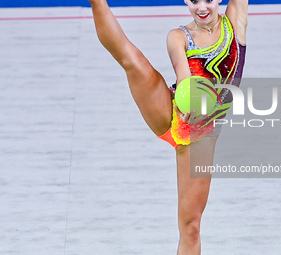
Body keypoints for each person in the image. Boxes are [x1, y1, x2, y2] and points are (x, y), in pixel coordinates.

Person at [88, 0, 248, 254]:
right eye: (194, 1)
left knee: (191, 227)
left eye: (207, 0)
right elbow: (182, 73)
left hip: (200, 137)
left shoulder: (235, 25)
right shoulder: (178, 36)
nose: (202, 7)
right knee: (131, 59)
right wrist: (190, 99)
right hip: (172, 109)